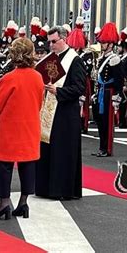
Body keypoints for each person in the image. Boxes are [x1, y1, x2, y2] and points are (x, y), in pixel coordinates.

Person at [0, 38, 44, 220]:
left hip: (11, 127)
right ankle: (23, 202)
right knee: (27, 164)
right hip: (30, 125)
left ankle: (4, 204)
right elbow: (39, 102)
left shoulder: (8, 78)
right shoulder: (38, 77)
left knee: (5, 165)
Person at [36, 26, 86, 200]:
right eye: (49, 42)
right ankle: (45, 188)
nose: (50, 45)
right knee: (48, 149)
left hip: (66, 113)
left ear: (64, 39)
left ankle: (62, 190)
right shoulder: (51, 58)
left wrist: (59, 91)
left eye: (54, 42)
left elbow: (80, 88)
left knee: (63, 152)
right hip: (49, 112)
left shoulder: (75, 60)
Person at [92, 22, 124, 157]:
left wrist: (117, 97)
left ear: (111, 44)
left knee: (107, 122)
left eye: (104, 42)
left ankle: (107, 148)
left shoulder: (115, 59)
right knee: (100, 121)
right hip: (101, 92)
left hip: (109, 93)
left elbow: (118, 80)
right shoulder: (102, 58)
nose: (102, 44)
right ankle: (101, 146)